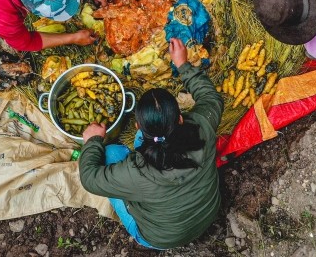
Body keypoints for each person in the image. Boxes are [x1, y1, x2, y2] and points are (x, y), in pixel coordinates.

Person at [79, 38, 224, 249]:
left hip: (160, 238)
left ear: (138, 126)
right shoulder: (203, 127)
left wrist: (92, 141)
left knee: (110, 153)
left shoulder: (135, 173)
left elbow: (90, 179)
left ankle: (140, 229)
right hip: (209, 213)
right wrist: (183, 64)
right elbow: (211, 97)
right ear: (181, 119)